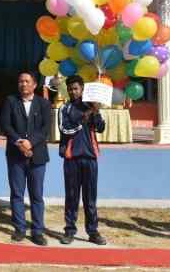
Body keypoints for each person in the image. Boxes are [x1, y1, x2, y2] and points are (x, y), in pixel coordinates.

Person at [0, 71, 51, 245]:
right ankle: (19, 229)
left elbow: (45, 128)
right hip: (15, 155)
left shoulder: (44, 103)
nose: (23, 84)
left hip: (38, 156)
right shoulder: (10, 101)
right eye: (21, 81)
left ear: (34, 85)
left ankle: (37, 231)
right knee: (17, 194)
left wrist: (31, 143)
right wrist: (20, 142)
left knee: (37, 195)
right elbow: (5, 125)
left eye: (27, 81)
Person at [58, 74, 107, 246]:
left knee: (90, 198)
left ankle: (93, 232)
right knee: (72, 196)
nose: (73, 92)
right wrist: (82, 119)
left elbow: (100, 128)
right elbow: (64, 129)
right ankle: (69, 231)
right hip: (71, 158)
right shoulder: (65, 108)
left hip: (90, 158)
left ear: (82, 89)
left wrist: (96, 111)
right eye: (70, 89)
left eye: (76, 88)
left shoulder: (91, 107)